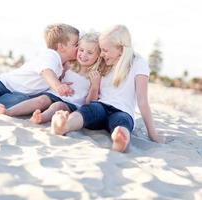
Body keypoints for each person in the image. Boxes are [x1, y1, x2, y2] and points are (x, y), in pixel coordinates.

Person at [51, 25, 165, 153]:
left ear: (121, 50)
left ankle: (120, 139)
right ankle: (64, 125)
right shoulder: (104, 62)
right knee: (88, 111)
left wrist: (152, 134)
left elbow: (142, 102)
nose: (102, 54)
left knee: (122, 122)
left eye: (105, 50)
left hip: (123, 111)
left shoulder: (138, 63)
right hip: (101, 106)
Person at [0, 23, 79, 112]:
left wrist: (60, 82)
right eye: (75, 44)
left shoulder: (61, 63)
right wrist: (58, 85)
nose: (78, 48)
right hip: (5, 83)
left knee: (18, 102)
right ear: (61, 47)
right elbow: (47, 72)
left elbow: (49, 79)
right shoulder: (50, 56)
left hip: (21, 94)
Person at [0, 32, 103, 124]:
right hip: (54, 94)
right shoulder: (69, 66)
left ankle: (41, 118)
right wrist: (61, 84)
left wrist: (94, 86)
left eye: (89, 53)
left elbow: (90, 103)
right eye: (81, 50)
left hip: (72, 104)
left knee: (58, 106)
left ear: (98, 56)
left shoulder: (95, 75)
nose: (83, 55)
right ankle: (8, 112)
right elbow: (56, 78)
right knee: (41, 100)